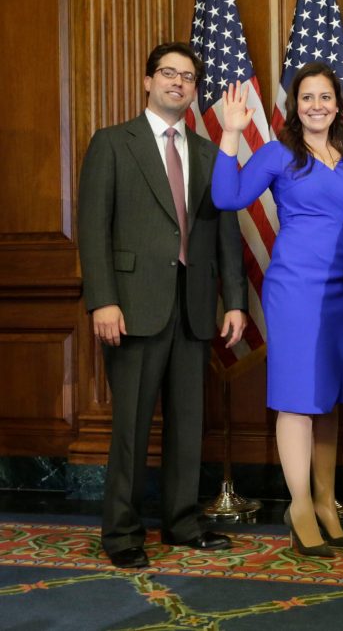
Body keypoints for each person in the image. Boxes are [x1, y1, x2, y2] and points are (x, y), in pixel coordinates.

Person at [78, 42, 248, 569]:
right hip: (132, 306)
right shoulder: (112, 143)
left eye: (189, 77)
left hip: (195, 307)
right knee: (130, 425)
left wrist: (235, 300)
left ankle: (181, 522)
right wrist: (102, 300)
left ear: (196, 90)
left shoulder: (206, 151)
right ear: (148, 81)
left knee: (187, 422)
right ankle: (123, 533)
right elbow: (93, 228)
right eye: (169, 73)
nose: (179, 82)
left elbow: (226, 233)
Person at [211, 63, 343, 557]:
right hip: (294, 290)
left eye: (325, 97)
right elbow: (227, 196)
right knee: (297, 398)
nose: (316, 105)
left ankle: (328, 504)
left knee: (329, 398)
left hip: (340, 291)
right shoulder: (277, 154)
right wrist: (229, 134)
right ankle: (300, 506)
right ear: (295, 106)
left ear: (337, 105)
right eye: (306, 97)